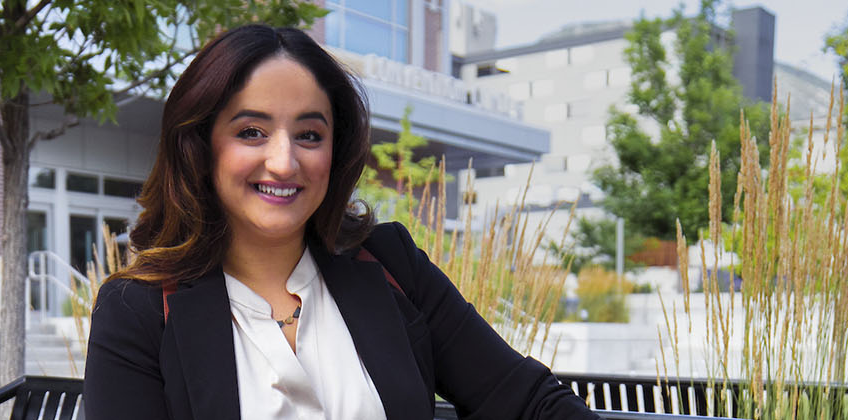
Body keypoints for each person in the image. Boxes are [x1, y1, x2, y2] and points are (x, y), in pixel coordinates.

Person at [83, 24, 594, 420]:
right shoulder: (140, 309)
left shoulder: (390, 261)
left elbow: (526, 401)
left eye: (309, 134)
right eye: (252, 131)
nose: (284, 162)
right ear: (201, 145)